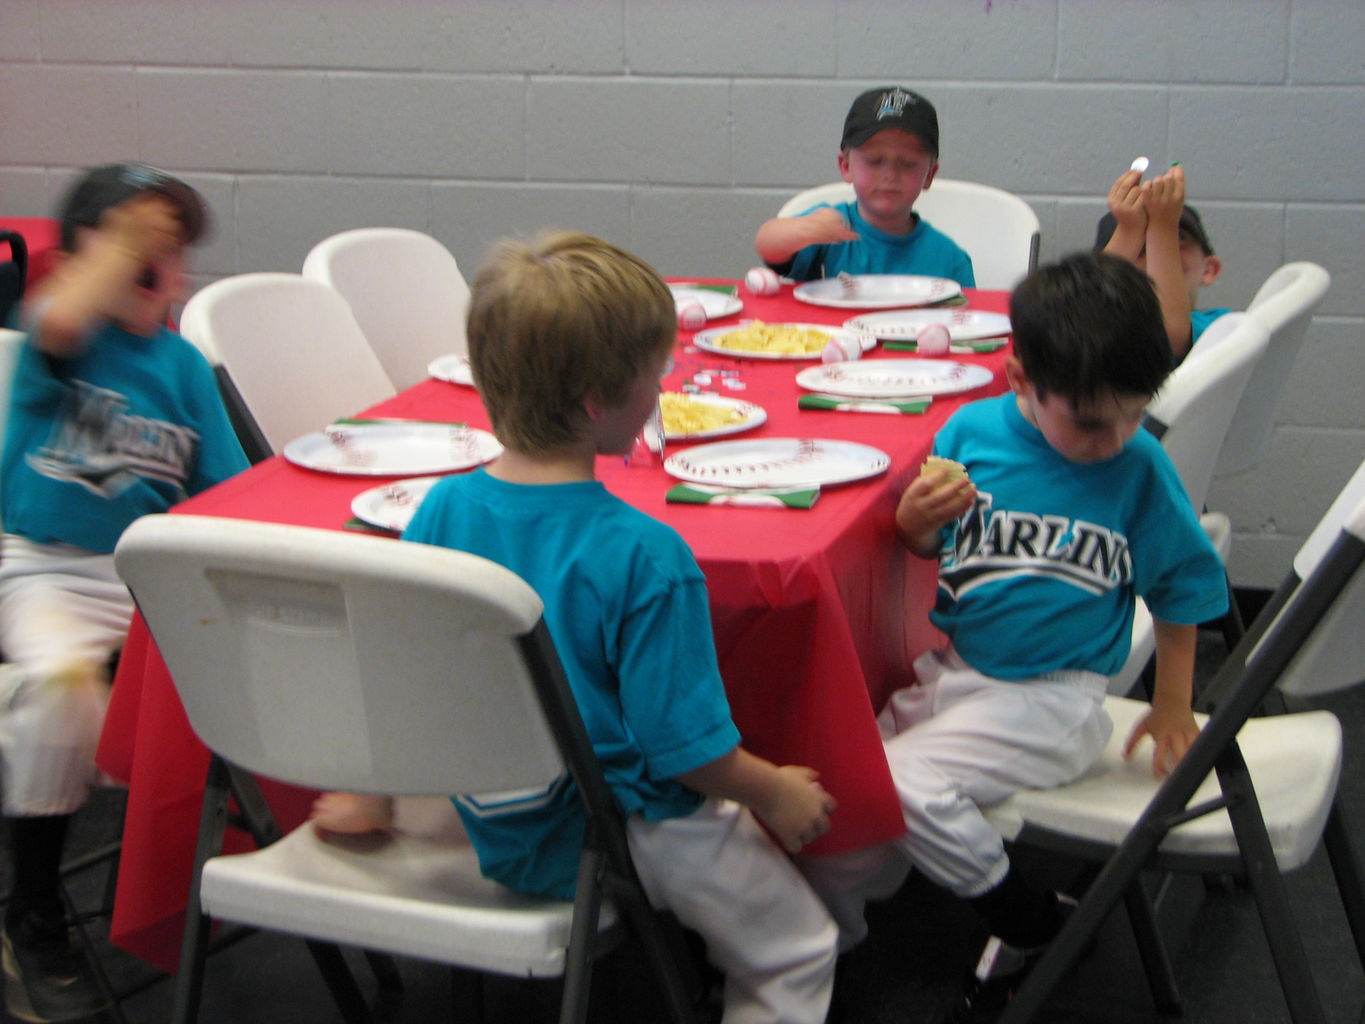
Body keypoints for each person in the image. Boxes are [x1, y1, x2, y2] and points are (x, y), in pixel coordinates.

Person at [313, 230, 840, 1024]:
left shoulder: (440, 509)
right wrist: (775, 791)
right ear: (599, 402)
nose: (660, 395)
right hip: (615, 830)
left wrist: (371, 790)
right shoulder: (645, 556)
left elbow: (402, 668)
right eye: (655, 377)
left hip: (497, 818)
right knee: (800, 949)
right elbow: (687, 755)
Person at [804, 252, 1228, 1023]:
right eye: (1093, 421)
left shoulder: (1136, 468)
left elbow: (1184, 587)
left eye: (1136, 412)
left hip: (1053, 698)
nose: (1117, 437)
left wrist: (1172, 704)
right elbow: (923, 546)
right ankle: (820, 944)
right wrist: (917, 520)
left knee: (895, 781)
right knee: (840, 783)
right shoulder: (969, 431)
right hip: (956, 671)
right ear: (1019, 378)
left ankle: (1030, 923)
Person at [0, 163, 249, 1022]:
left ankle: (198, 872)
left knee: (228, 661)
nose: (156, 268)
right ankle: (30, 914)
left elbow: (229, 498)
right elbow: (64, 308)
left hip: (140, 579)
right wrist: (113, 255)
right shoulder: (59, 338)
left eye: (169, 254)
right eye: (137, 251)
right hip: (42, 567)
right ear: (82, 259)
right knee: (58, 689)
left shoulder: (182, 367)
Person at [754, 86, 975, 286]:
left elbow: (967, 322)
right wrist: (806, 230)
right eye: (874, 161)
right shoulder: (830, 228)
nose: (890, 175)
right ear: (845, 166)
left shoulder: (950, 260)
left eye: (907, 164)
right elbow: (767, 243)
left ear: (930, 175)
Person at [1096, 163, 1227, 360]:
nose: (1154, 252)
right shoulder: (1088, 331)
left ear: (1210, 269)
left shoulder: (1220, 326)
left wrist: (1164, 226)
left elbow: (1168, 338)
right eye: (1138, 247)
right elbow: (1087, 310)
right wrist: (1129, 229)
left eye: (1179, 238)